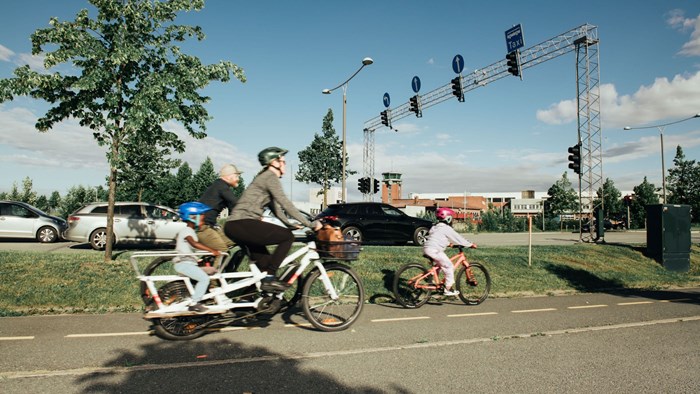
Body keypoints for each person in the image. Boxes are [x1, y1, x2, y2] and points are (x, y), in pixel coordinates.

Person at [224, 147, 321, 292]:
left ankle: (249, 299)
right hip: (242, 223)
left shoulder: (264, 178)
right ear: (274, 162)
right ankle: (270, 278)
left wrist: (290, 224)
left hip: (237, 226)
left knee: (264, 266)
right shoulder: (270, 177)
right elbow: (286, 204)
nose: (285, 164)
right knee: (286, 238)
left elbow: (277, 210)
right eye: (283, 161)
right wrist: (311, 224)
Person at [174, 202, 222, 313]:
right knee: (204, 279)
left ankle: (213, 297)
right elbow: (193, 244)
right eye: (202, 216)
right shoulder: (187, 230)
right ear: (192, 217)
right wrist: (212, 250)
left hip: (188, 263)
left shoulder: (190, 230)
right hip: (184, 264)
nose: (204, 218)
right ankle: (195, 303)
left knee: (213, 271)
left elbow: (190, 248)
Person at [422, 207, 477, 297]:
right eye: (451, 217)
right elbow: (458, 238)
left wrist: (448, 244)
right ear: (448, 218)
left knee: (440, 264)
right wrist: (470, 244)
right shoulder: (447, 228)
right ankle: (448, 289)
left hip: (427, 248)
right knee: (449, 266)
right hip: (434, 250)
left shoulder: (435, 226)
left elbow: (436, 237)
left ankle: (430, 276)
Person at [197, 164, 241, 267]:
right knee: (222, 252)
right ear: (230, 176)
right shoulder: (222, 187)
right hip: (204, 228)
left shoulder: (219, 186)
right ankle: (214, 282)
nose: (238, 179)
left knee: (236, 239)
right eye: (237, 176)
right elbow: (236, 203)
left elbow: (233, 208)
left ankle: (205, 263)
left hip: (209, 226)